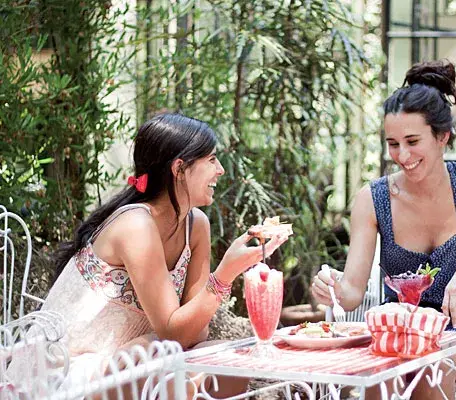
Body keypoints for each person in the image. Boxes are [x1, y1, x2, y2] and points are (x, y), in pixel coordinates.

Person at [311, 60, 456, 399]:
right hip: (395, 331)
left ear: (443, 136)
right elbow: (352, 291)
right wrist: (330, 287)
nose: (403, 155)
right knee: (379, 371)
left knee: (430, 363)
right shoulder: (373, 198)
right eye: (393, 144)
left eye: (413, 141)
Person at [33, 113, 289, 397]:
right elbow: (175, 334)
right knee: (159, 362)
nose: (220, 170)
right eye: (211, 160)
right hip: (73, 370)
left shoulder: (196, 225)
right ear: (179, 168)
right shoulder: (135, 224)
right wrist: (226, 273)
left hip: (136, 358)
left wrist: (165, 336)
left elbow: (195, 332)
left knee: (223, 362)